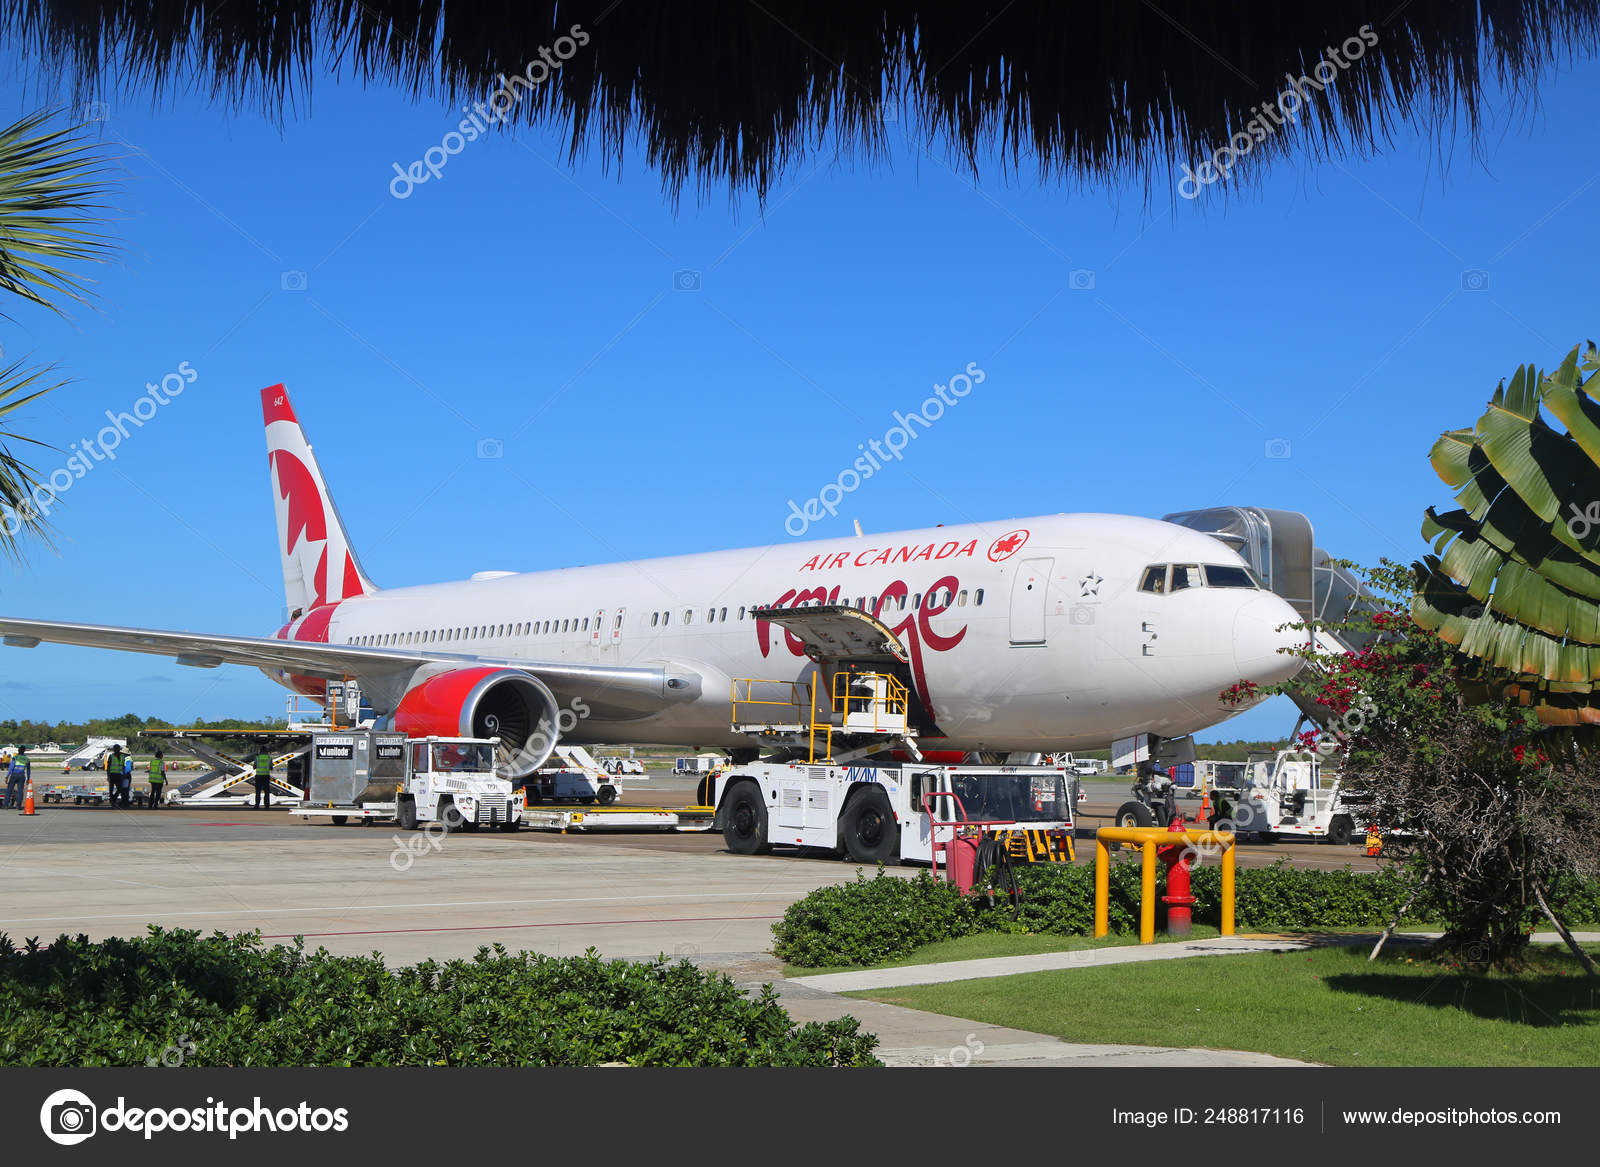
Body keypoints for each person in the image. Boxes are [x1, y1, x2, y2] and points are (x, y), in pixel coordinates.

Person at [4, 745, 29, 810]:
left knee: (9, 790)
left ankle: (6, 805)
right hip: (21, 775)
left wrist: (7, 776)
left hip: (14, 775)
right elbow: (28, 770)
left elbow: (11, 768)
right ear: (24, 751)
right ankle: (18, 806)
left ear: (18, 750)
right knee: (20, 791)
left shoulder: (15, 757)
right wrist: (28, 778)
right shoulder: (27, 759)